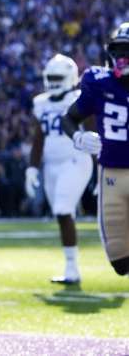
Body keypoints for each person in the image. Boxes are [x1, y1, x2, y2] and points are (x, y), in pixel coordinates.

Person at [62, 24, 129, 278]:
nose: (123, 58)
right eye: (119, 51)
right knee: (120, 261)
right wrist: (78, 137)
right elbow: (68, 118)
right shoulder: (99, 82)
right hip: (111, 174)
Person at [26, 54, 90, 284]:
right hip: (51, 165)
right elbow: (38, 137)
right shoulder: (40, 103)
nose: (53, 81)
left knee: (63, 209)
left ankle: (73, 270)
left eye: (57, 77)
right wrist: (32, 167)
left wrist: (103, 167)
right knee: (63, 215)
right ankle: (71, 268)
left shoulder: (79, 97)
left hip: (76, 160)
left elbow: (94, 133)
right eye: (50, 77)